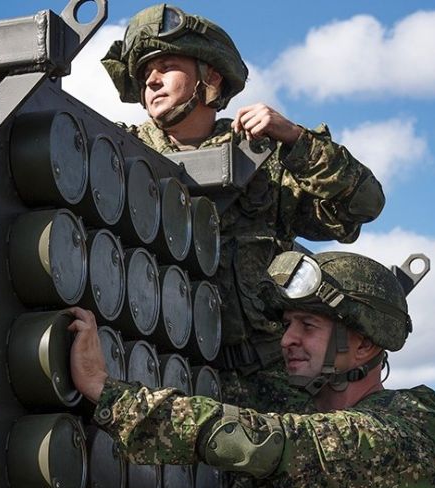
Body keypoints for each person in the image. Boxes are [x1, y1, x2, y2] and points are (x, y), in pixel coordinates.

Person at [67, 250, 435, 488]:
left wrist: (107, 391)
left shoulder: (387, 444)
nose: (286, 340)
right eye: (288, 324)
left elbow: (261, 441)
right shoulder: (318, 414)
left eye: (308, 327)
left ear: (363, 345)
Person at [102, 5, 387, 387]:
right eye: (144, 74)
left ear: (211, 77)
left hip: (264, 383)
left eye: (167, 67)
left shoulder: (262, 162)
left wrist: (296, 140)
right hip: (155, 374)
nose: (152, 82)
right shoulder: (117, 155)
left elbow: (363, 204)